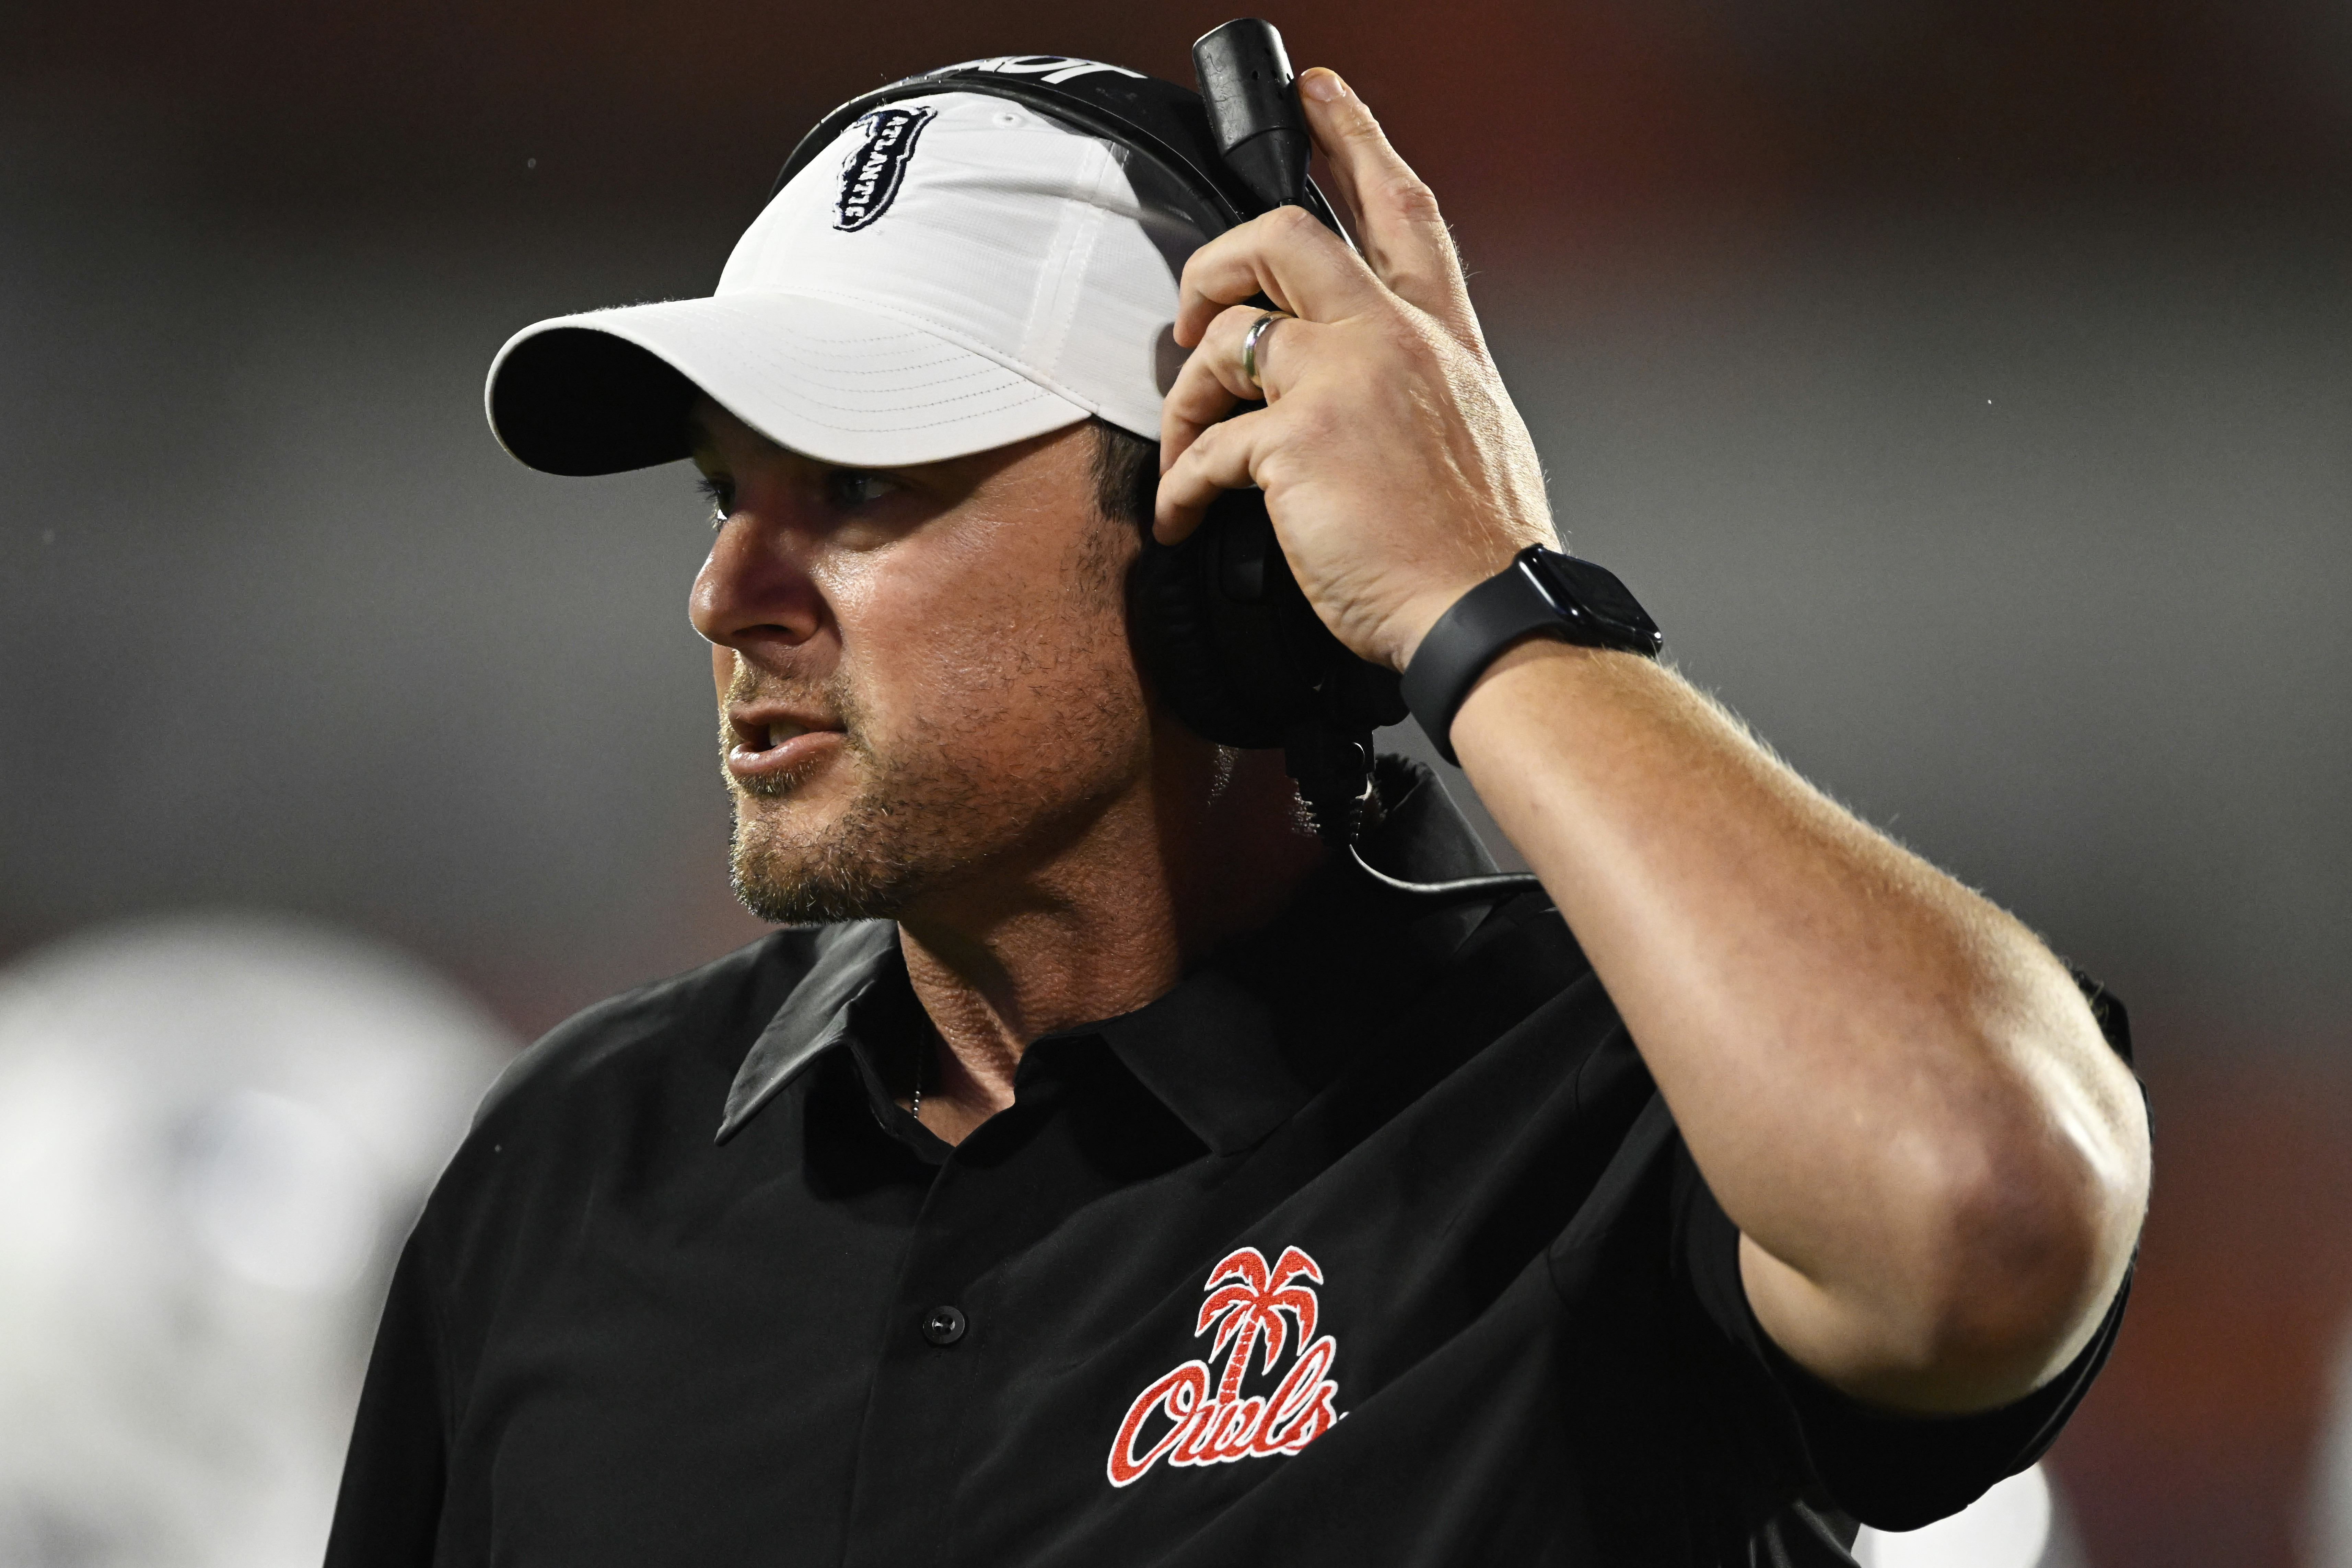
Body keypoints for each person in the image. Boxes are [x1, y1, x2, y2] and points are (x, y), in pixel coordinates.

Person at [325, 56, 2151, 1568]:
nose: (731, 592)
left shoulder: (1610, 1112)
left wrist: (1482, 593)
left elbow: (1983, 1210)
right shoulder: (570, 1166)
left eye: (863, 487)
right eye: (722, 496)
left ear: (1230, 537)